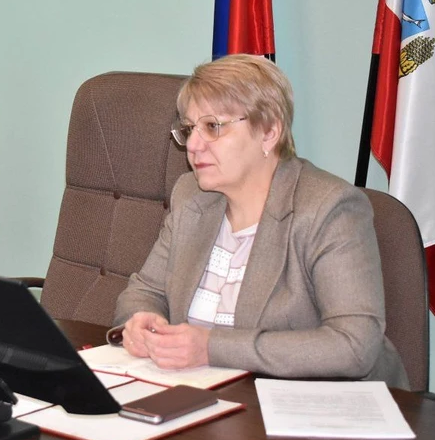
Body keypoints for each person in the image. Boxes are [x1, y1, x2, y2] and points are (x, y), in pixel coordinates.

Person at [113, 54, 409, 389]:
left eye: (212, 127)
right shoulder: (191, 196)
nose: (193, 145)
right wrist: (142, 321)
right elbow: (144, 291)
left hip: (317, 404)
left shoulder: (328, 208)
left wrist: (211, 348)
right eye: (189, 129)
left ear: (268, 133)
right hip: (209, 396)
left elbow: (354, 345)